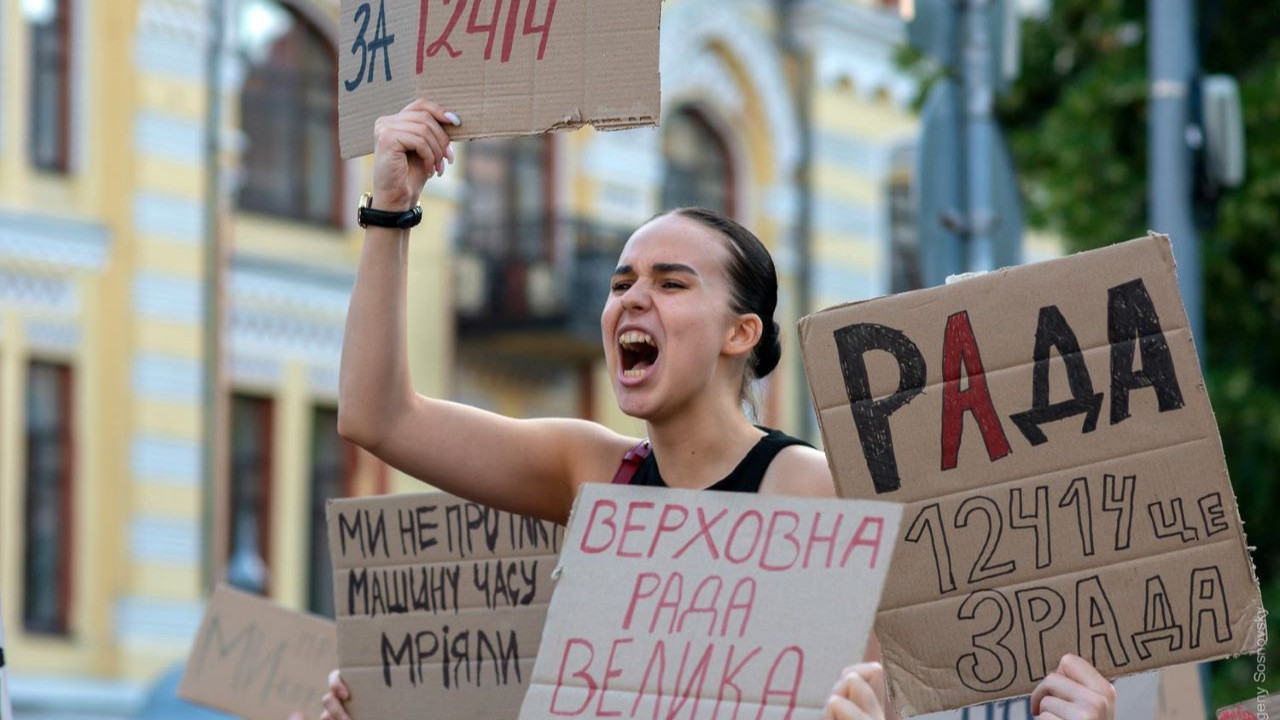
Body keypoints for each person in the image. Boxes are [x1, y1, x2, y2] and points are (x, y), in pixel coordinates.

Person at [318, 99, 1117, 720]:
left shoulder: (818, 492)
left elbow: (905, 693)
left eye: (671, 284)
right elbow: (379, 419)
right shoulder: (590, 473)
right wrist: (391, 209)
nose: (633, 299)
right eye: (621, 283)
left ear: (743, 333)